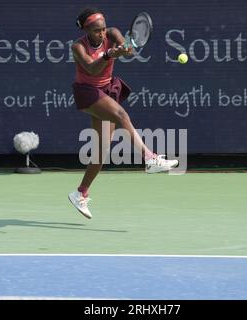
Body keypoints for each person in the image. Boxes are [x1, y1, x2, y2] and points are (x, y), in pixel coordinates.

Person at [68, 7, 178, 219]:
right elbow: (91, 69)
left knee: (102, 150)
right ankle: (149, 157)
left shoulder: (112, 34)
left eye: (103, 28)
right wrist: (109, 54)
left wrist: (125, 48)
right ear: (86, 30)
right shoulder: (78, 47)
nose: (102, 33)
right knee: (121, 115)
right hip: (87, 92)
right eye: (97, 30)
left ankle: (80, 192)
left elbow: (129, 51)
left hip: (106, 90)